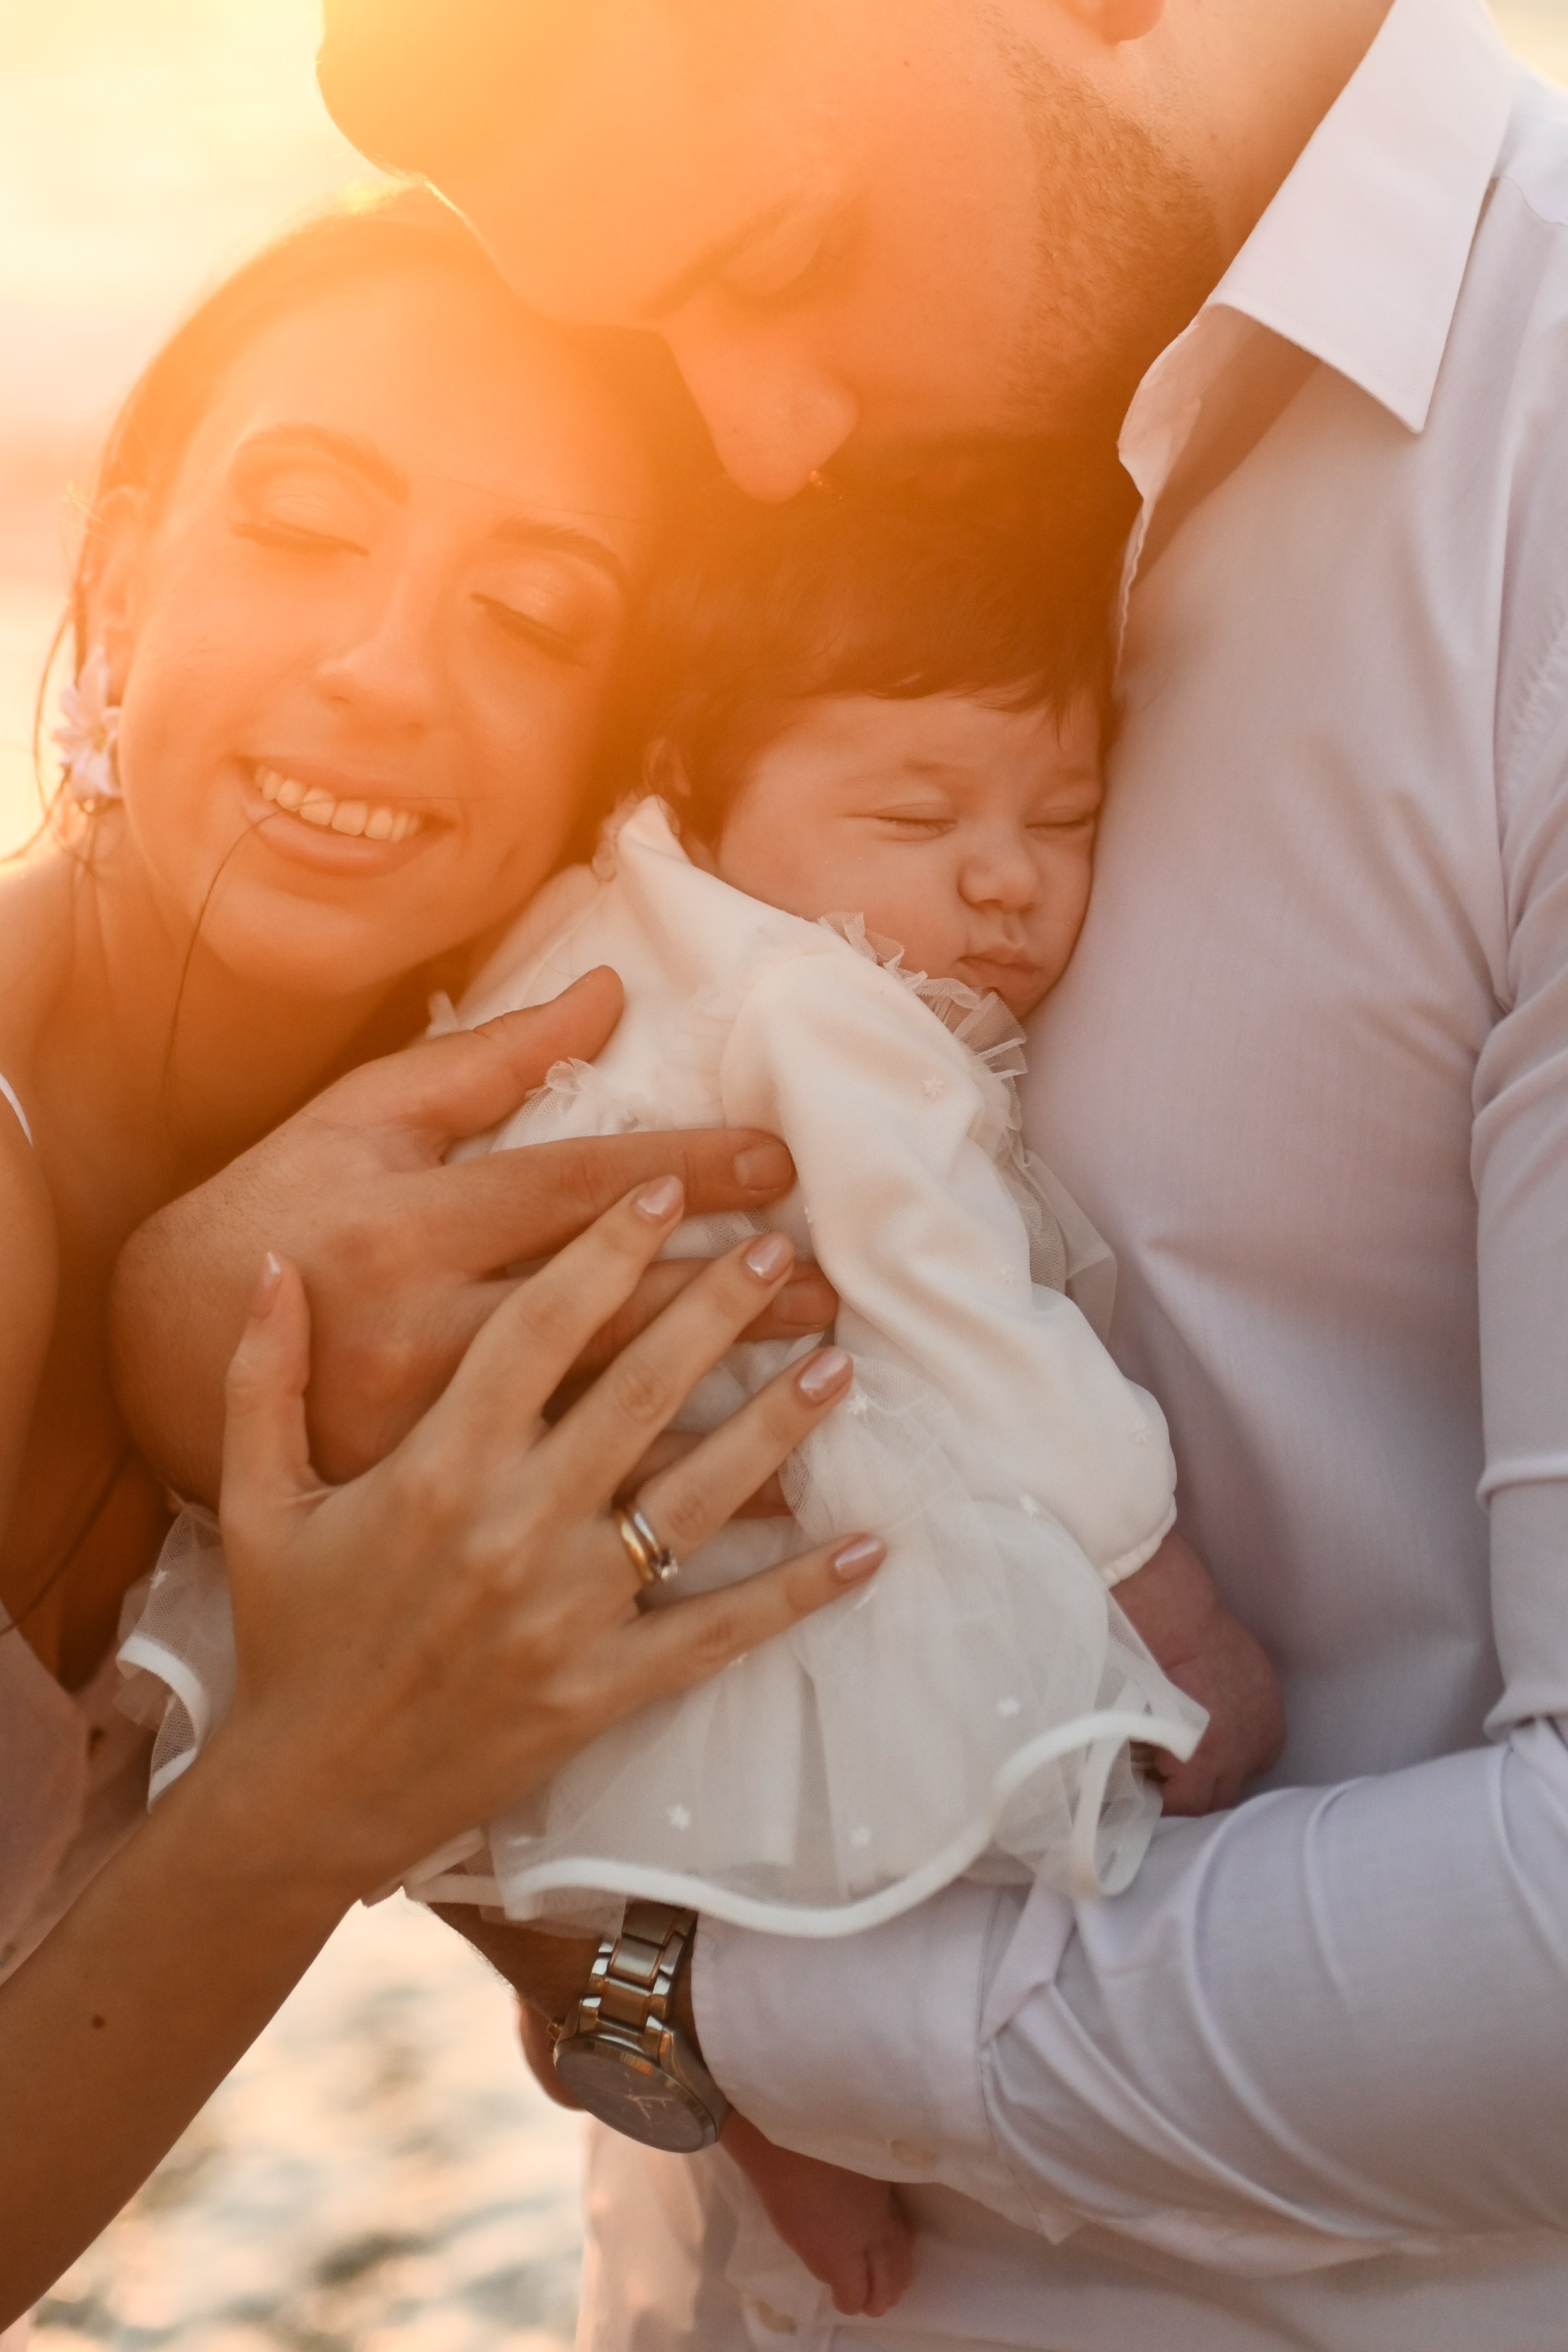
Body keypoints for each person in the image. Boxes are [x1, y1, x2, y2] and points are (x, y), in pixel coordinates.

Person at [138, 0, 1562, 2343]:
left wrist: (724, 2005)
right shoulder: (772, 434)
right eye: (669, 320)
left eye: (780, 263)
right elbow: (419, 1024)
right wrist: (202, 1321)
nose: (753, 420)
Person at [122, 482, 1283, 2315]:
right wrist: (1171, 1593)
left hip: (505, 1538)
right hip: (704, 1502)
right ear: (709, 778)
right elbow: (966, 1309)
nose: (1006, 874)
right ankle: (807, 2098)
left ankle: (725, 2088)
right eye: (917, 814)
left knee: (646, 1855)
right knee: (927, 1781)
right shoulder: (827, 1011)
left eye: (1064, 819)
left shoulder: (595, 910)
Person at [0, 187, 893, 2331]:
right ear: (115, 573)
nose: (387, 669)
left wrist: (646, 1999)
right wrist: (324, 1776)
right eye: (303, 522)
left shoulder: (390, 1240)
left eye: (533, 611)